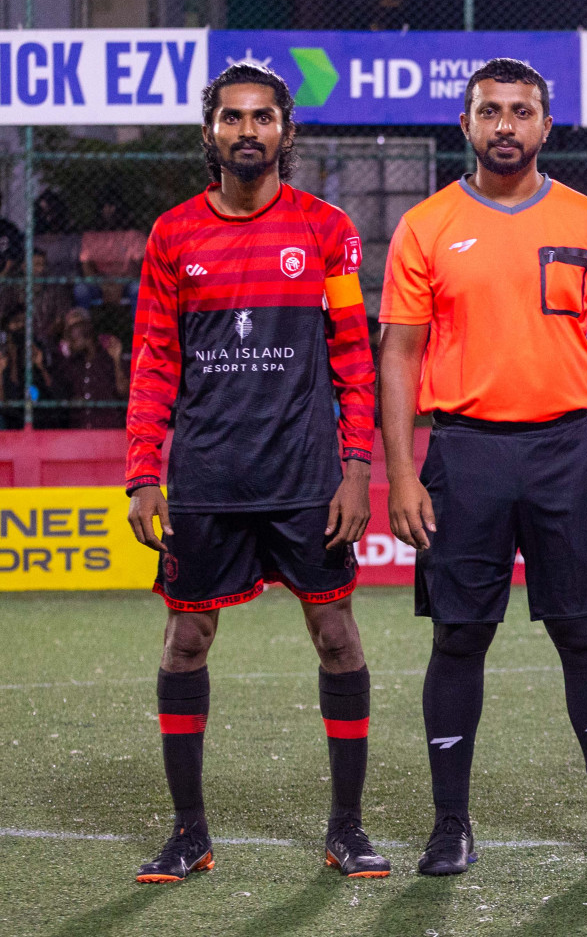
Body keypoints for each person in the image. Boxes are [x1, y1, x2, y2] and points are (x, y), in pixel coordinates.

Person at [378, 58, 587, 876]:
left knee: (581, 632)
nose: (505, 125)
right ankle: (450, 825)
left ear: (545, 126)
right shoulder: (425, 225)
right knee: (459, 636)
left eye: (520, 111)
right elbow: (399, 354)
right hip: (464, 451)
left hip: (568, 450)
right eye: (489, 111)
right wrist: (400, 472)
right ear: (466, 125)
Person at [125, 63, 388, 883]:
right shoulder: (173, 236)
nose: (248, 132)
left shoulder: (325, 229)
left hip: (307, 478)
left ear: (285, 130)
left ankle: (346, 828)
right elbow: (154, 361)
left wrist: (356, 468)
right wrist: (143, 474)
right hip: (207, 477)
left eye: (263, 118)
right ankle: (189, 832)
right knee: (186, 640)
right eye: (233, 118)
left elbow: (353, 354)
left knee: (338, 637)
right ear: (209, 131)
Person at [52, 306, 128, 428]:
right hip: (80, 432)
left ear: (87, 329)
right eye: (67, 331)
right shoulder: (69, 364)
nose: (70, 337)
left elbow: (124, 392)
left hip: (108, 430)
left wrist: (117, 360)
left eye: (74, 329)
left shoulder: (108, 357)